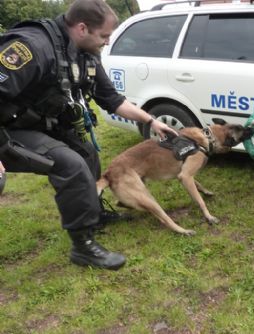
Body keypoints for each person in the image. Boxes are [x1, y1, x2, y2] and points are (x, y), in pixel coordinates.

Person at [0, 0, 177, 270]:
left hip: (43, 123)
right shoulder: (33, 47)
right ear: (82, 28)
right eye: (104, 36)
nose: (107, 42)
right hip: (9, 129)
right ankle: (83, 246)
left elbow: (112, 99)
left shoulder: (85, 53)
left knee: (88, 153)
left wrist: (151, 120)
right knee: (70, 165)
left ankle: (94, 213)